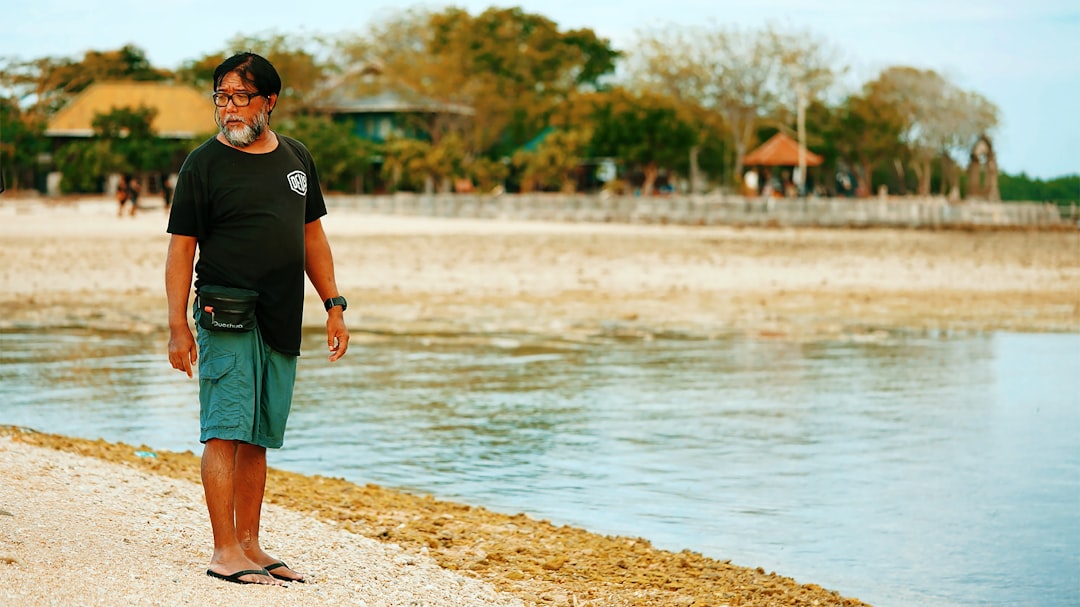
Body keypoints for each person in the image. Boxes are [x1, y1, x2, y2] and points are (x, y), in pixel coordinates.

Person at [165, 52, 350, 587]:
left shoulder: (297, 158)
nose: (229, 110)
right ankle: (224, 550)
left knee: (259, 435)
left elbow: (311, 235)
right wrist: (178, 325)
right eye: (221, 98)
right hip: (225, 313)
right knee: (225, 431)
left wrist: (333, 305)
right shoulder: (203, 164)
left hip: (280, 314)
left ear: (269, 102)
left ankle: (250, 542)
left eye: (240, 98)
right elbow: (181, 250)